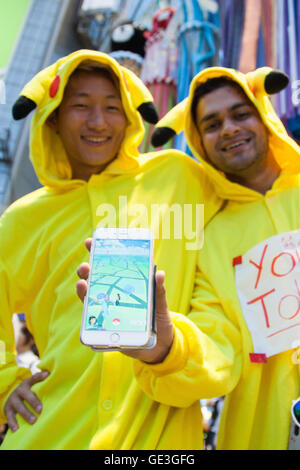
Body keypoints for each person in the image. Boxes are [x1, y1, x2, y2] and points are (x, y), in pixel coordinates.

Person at [0, 50, 221, 450]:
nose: (98, 122)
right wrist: (5, 383)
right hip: (53, 430)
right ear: (52, 117)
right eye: (80, 106)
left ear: (131, 116)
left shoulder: (178, 179)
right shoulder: (23, 219)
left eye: (113, 107)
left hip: (157, 435)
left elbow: (240, 213)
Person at [149, 66, 300, 450]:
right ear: (199, 142)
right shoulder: (211, 239)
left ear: (264, 117)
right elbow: (215, 346)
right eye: (212, 124)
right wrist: (166, 347)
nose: (229, 128)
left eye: (240, 114)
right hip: (267, 432)